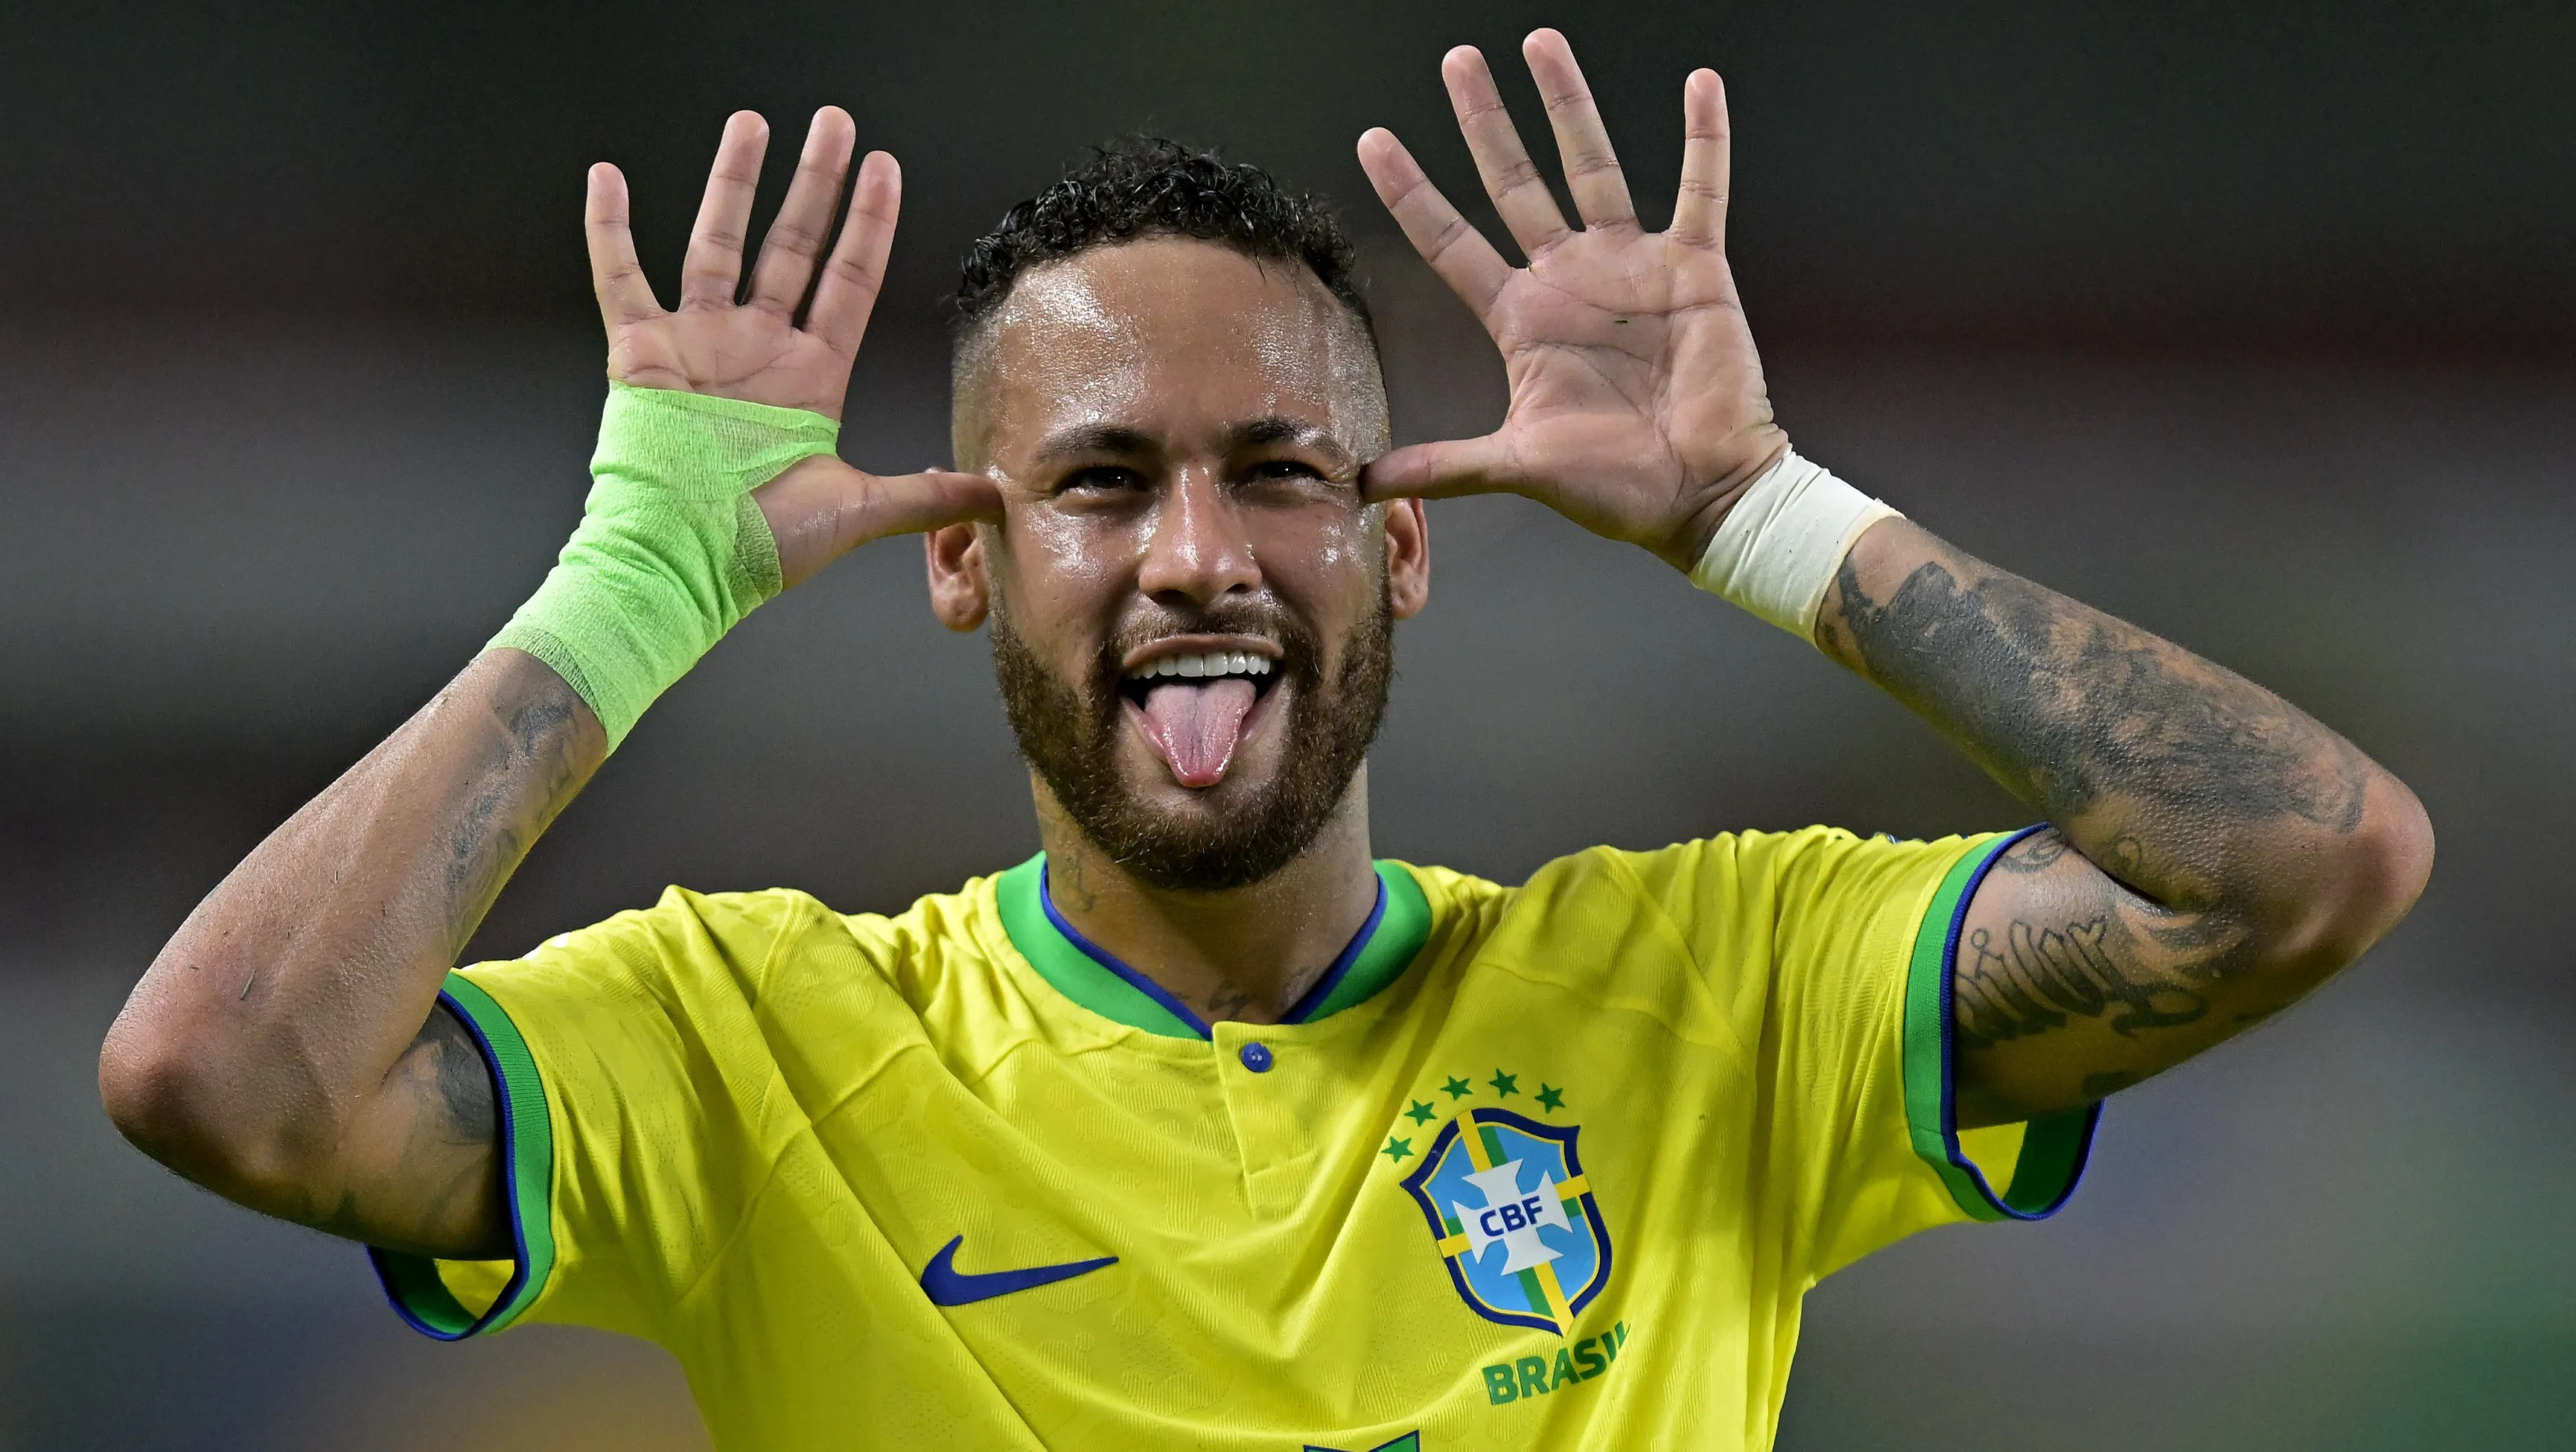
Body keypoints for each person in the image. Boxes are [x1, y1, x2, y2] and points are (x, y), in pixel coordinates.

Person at [98, 28, 2431, 1452]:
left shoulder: (1719, 996)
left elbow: (2304, 860)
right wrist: (628, 594)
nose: (1198, 550)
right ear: (960, 559)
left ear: (1402, 549)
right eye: (1100, 483)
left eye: (1285, 473)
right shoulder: (747, 1039)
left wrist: (1763, 514)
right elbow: (224, 1074)